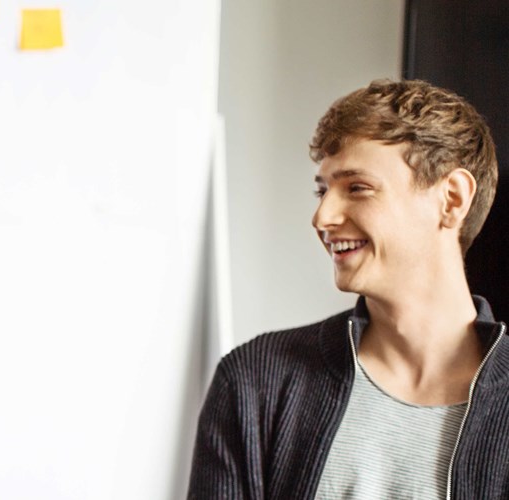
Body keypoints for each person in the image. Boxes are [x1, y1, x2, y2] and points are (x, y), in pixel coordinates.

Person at [188, 79, 505, 498]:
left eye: (357, 187)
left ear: (451, 199)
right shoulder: (255, 382)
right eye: (322, 190)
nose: (322, 217)